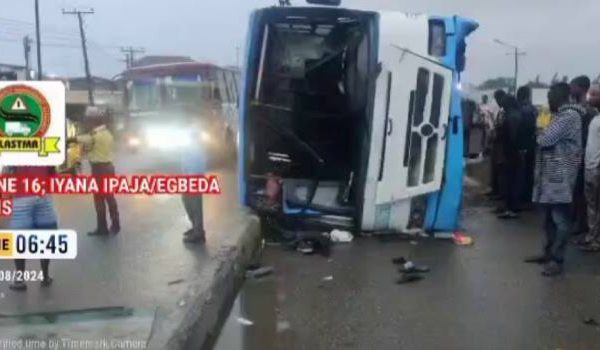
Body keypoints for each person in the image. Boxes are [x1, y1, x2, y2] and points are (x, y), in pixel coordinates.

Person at [525, 83, 583, 276]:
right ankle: (548, 253)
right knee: (549, 219)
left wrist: (540, 132)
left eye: (550, 97)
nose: (548, 101)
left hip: (560, 178)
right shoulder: (561, 116)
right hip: (551, 178)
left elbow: (544, 139)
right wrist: (542, 132)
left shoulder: (568, 116)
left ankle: (557, 260)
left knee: (560, 220)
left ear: (561, 97)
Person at [5, 166, 57, 291]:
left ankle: (20, 280)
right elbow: (52, 172)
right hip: (42, 194)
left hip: (22, 196)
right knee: (46, 236)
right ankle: (45, 276)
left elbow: (7, 171)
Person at [69, 106, 120, 236]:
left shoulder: (96, 135)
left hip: (100, 170)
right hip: (107, 168)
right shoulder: (107, 133)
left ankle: (104, 227)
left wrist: (70, 139)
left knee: (100, 199)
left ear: (94, 121)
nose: (87, 123)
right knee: (109, 197)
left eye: (88, 120)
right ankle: (114, 225)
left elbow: (86, 139)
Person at [570, 76, 596, 236]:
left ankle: (582, 225)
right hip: (576, 156)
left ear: (581, 88)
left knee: (582, 194)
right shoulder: (576, 108)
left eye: (573, 86)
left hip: (584, 157)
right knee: (576, 192)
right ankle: (578, 223)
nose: (571, 89)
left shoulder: (588, 111)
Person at [180, 118, 208, 243]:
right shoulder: (187, 136)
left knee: (195, 205)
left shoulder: (194, 134)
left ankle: (199, 233)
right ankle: (196, 228)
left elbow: (198, 160)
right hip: (189, 175)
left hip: (195, 176)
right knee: (187, 201)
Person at [580, 85, 600, 251]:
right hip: (589, 168)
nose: (589, 97)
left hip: (596, 169)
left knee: (596, 207)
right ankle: (591, 237)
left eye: (594, 94)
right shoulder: (595, 118)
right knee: (591, 206)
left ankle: (596, 239)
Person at [498, 95, 522, 219]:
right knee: (513, 180)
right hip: (514, 153)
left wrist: (506, 153)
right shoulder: (516, 114)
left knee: (510, 181)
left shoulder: (511, 116)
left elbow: (512, 137)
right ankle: (511, 207)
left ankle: (511, 208)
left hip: (511, 154)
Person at [516, 86, 538, 208]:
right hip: (529, 146)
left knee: (523, 174)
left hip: (524, 147)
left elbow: (524, 130)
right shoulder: (531, 109)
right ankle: (527, 198)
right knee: (527, 173)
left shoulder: (524, 110)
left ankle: (524, 200)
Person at [486, 89, 507, 199]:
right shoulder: (500, 110)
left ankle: (500, 192)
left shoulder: (505, 111)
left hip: (501, 144)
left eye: (498, 98)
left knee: (500, 169)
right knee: (494, 167)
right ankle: (495, 189)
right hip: (496, 142)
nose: (498, 101)